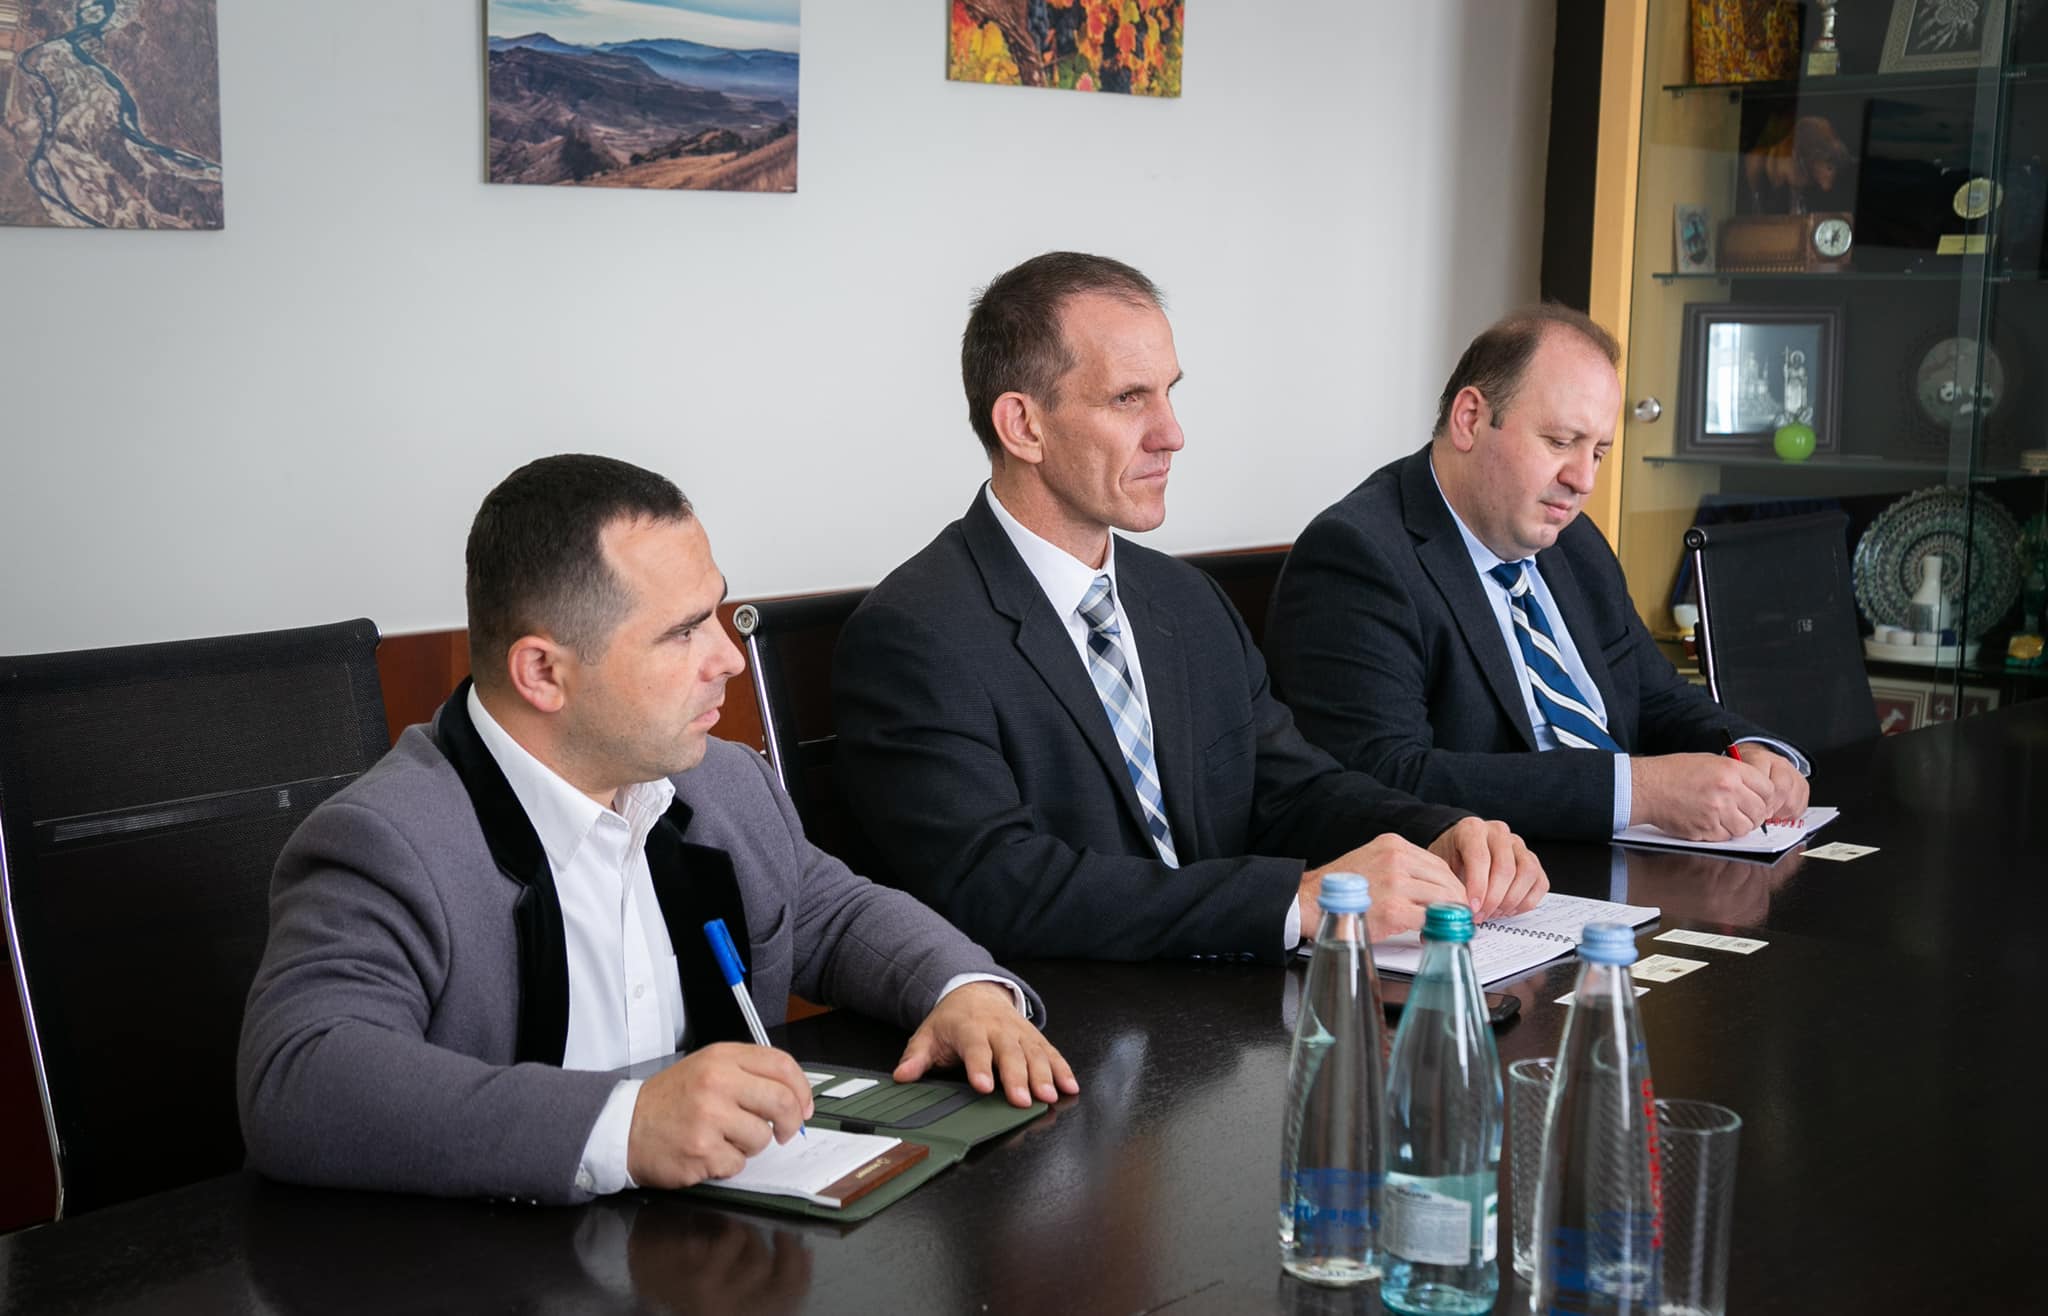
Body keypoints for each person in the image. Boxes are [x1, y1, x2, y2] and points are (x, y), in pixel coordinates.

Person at [238, 455, 1076, 1206]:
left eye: (714, 613)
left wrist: (961, 990)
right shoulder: (385, 842)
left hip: (721, 1266)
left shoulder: (723, 782)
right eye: (682, 632)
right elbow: (300, 1078)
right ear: (542, 672)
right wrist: (627, 1126)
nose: (729, 658)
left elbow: (831, 911)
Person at [831, 252, 1544, 964]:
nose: (1172, 433)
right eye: (1128, 399)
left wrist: (1438, 832)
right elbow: (1000, 887)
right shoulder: (914, 635)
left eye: (1169, 393)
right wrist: (1297, 901)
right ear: (1023, 426)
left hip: (1227, 995)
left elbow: (1291, 791)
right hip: (1061, 1012)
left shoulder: (1185, 598)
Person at [1263, 304, 1810, 843]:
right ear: (1470, 419)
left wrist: (1750, 749)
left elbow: (1656, 696)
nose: (1583, 480)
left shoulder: (1575, 543)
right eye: (1560, 442)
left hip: (1618, 862)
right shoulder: (1358, 556)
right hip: (1494, 878)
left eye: (1598, 453)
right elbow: (1383, 779)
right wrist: (1638, 792)